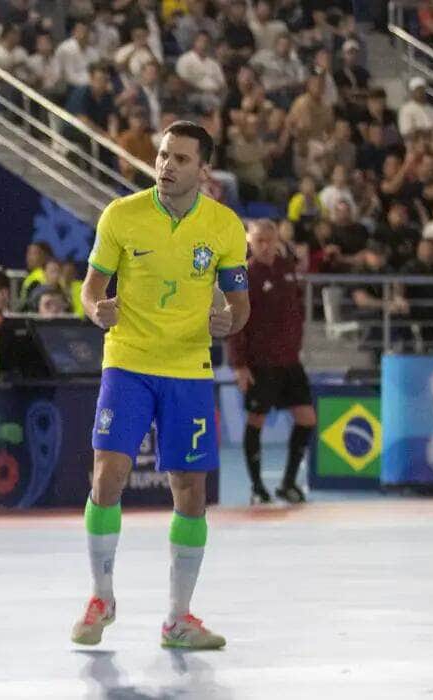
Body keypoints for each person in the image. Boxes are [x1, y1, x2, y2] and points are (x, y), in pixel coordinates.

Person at [73, 121, 250, 650]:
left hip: (189, 369)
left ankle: (178, 620)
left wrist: (230, 322)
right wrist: (95, 311)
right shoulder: (121, 215)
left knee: (190, 491)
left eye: (180, 159)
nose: (167, 166)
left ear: (203, 169)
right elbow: (89, 289)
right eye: (163, 156)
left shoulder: (224, 226)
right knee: (109, 475)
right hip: (127, 361)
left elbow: (239, 304)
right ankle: (101, 597)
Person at [227, 220, 315, 505]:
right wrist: (239, 365)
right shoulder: (245, 275)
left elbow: (296, 310)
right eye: (258, 240)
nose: (265, 245)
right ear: (249, 242)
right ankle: (257, 488)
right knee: (257, 420)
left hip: (290, 361)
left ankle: (288, 483)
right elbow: (235, 323)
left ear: (277, 239)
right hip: (260, 363)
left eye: (269, 239)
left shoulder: (287, 270)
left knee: (306, 418)